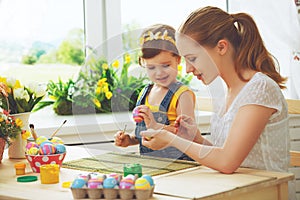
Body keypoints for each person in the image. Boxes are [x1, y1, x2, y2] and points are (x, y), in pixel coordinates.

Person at [140, 6, 296, 199]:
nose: (188, 69)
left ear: (222, 47)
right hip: (232, 188)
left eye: (192, 58)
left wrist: (172, 139)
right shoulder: (228, 92)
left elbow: (227, 162)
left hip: (264, 192)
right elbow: (226, 152)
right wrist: (195, 138)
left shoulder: (260, 88)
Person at [114, 24, 196, 160]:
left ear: (178, 59)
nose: (159, 73)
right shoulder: (145, 93)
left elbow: (187, 134)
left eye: (166, 65)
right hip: (151, 166)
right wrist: (130, 139)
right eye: (151, 67)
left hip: (179, 167)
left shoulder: (182, 95)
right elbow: (143, 133)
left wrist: (156, 126)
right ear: (143, 64)